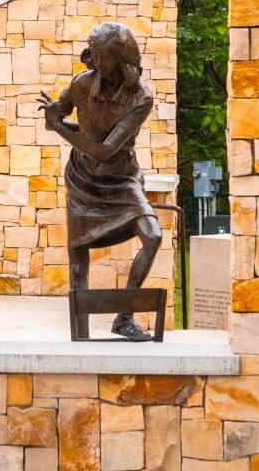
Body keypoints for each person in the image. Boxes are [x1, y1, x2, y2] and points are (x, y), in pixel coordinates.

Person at [37, 21, 164, 339]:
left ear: (120, 58)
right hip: (83, 180)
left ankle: (124, 316)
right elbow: (60, 112)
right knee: (79, 256)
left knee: (152, 236)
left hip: (121, 178)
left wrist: (60, 128)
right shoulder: (82, 83)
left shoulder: (141, 97)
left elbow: (106, 150)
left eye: (101, 56)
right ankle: (80, 332)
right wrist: (55, 114)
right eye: (92, 55)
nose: (94, 62)